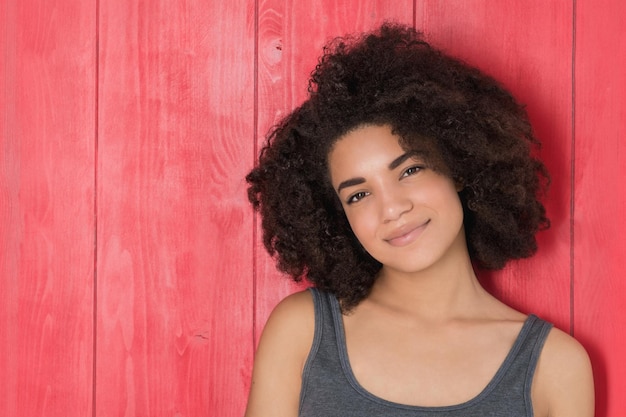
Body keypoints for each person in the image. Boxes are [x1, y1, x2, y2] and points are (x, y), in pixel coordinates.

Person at [244, 23, 594, 417]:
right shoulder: (302, 332)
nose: (392, 208)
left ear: (459, 167)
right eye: (359, 195)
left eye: (410, 170)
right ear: (339, 217)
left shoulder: (555, 368)